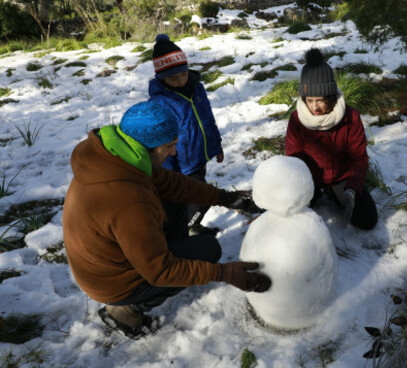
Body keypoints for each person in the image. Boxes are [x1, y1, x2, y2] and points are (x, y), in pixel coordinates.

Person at [62, 101, 271, 339]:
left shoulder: (119, 159)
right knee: (208, 249)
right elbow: (160, 271)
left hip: (106, 260)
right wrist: (225, 273)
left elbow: (172, 184)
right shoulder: (128, 201)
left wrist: (226, 198)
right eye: (169, 146)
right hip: (112, 281)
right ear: (147, 146)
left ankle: (171, 253)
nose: (174, 152)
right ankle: (125, 311)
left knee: (175, 200)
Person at [285, 48, 378, 230]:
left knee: (367, 220)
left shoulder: (350, 117)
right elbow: (294, 159)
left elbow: (359, 157)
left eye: (320, 100)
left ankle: (338, 194)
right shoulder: (297, 120)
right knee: (292, 219)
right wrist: (300, 190)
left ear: (331, 96)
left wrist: (352, 187)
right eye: (310, 100)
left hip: (342, 179)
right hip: (310, 180)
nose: (315, 107)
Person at [148, 34, 224, 237]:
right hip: (180, 164)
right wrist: (169, 170)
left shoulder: (197, 89)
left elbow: (208, 118)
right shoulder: (161, 103)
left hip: (199, 157)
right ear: (161, 78)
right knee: (201, 197)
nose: (181, 80)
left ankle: (191, 225)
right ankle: (187, 229)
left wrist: (217, 145)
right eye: (174, 78)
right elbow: (161, 140)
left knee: (197, 196)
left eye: (183, 74)